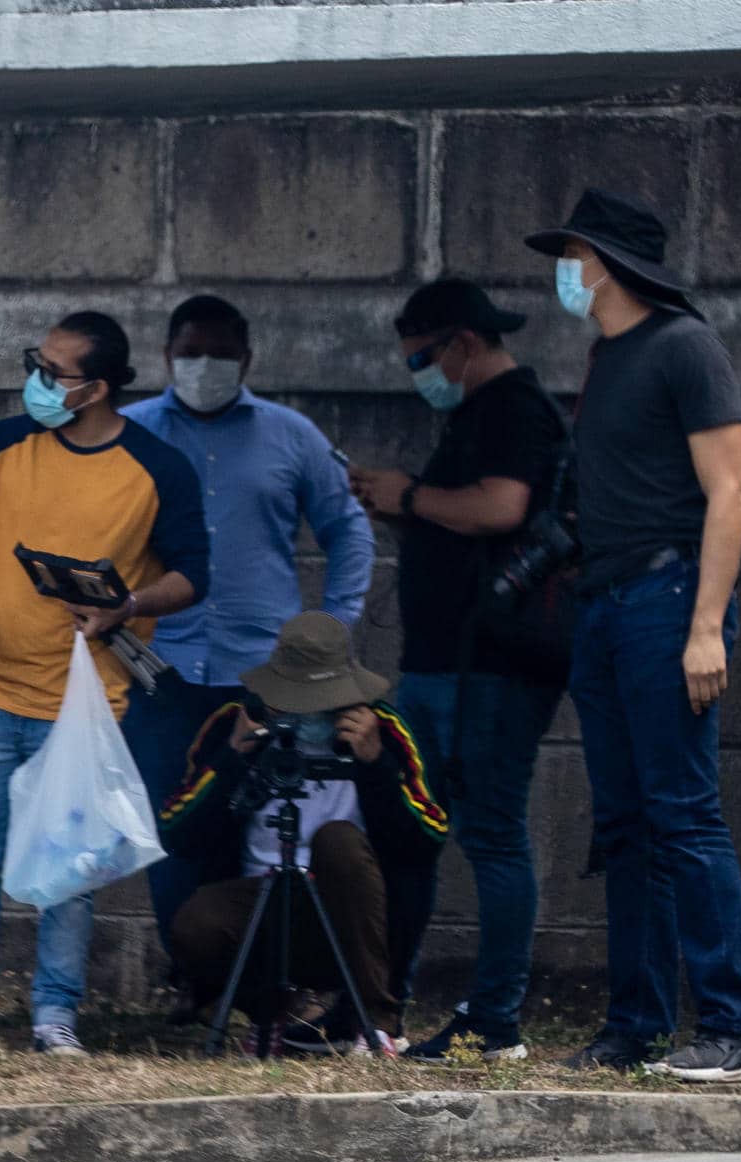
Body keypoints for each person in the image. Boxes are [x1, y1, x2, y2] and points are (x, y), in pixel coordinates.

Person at [0, 311, 208, 1058]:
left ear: (99, 388)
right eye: (33, 364)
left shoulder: (157, 467)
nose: (36, 383)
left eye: (54, 373)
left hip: (86, 701)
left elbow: (194, 575)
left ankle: (54, 1017)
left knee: (73, 871)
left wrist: (126, 606)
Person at [524, 188, 741, 1083]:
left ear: (609, 264)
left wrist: (706, 626)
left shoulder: (685, 346)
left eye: (573, 254)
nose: (565, 271)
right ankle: (636, 1025)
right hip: (607, 605)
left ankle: (734, 1030)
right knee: (625, 825)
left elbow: (731, 492)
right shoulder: (606, 356)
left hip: (669, 603)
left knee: (684, 815)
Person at [345, 279, 569, 1063]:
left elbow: (502, 507)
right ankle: (379, 1007)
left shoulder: (515, 410)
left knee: (493, 835)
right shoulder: (473, 412)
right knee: (410, 833)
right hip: (443, 665)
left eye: (420, 355)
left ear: (461, 343)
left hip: (494, 670)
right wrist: (405, 504)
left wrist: (411, 494)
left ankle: (495, 1019)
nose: (416, 370)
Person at [118, 294, 374, 972]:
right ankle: (193, 978)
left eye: (220, 354)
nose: (205, 366)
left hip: (263, 676)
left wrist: (333, 629)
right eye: (190, 353)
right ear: (166, 356)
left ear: (247, 359)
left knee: (254, 825)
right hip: (157, 668)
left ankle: (258, 982)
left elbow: (348, 529)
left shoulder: (292, 435)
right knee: (171, 827)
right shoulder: (131, 433)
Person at [156, 613, 448, 1055]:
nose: (309, 709)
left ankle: (376, 1025)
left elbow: (427, 841)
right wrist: (233, 761)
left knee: (338, 839)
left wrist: (375, 766)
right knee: (199, 922)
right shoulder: (234, 722)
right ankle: (267, 1015)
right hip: (260, 906)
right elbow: (178, 833)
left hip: (351, 912)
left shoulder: (383, 727)